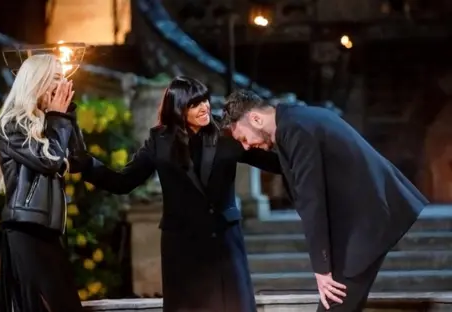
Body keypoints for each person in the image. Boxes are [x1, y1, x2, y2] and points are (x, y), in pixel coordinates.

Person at [82, 76, 281, 312]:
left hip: (224, 244)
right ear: (179, 109)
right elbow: (123, 182)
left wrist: (306, 153)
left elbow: (274, 163)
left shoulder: (228, 134)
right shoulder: (159, 141)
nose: (204, 107)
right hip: (182, 247)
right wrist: (85, 165)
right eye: (195, 104)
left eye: (205, 100)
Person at [221, 89, 429, 312]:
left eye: (244, 138)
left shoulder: (296, 129)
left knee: (336, 303)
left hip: (369, 218)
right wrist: (239, 153)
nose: (245, 144)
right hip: (361, 217)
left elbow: (312, 200)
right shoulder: (293, 120)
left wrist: (322, 269)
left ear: (256, 118)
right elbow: (286, 165)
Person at [0, 54, 86, 312]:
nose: (62, 83)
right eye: (55, 77)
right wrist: (57, 118)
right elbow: (49, 161)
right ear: (36, 81)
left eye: (64, 77)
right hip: (25, 232)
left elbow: (77, 160)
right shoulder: (12, 124)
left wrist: (68, 115)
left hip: (49, 233)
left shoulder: (51, 123)